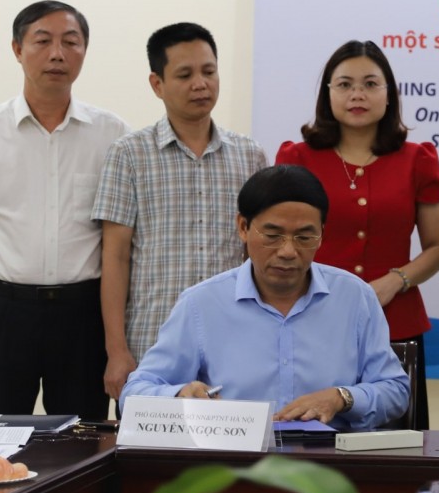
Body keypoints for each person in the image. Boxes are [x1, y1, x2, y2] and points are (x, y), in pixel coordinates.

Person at [0, 0, 129, 418]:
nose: (58, 53)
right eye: (43, 41)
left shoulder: (113, 136)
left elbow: (121, 244)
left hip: (83, 316)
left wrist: (118, 345)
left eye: (71, 42)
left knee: (82, 447)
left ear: (84, 52)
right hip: (1, 312)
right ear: (17, 49)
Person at [120, 165, 410, 430]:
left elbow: (396, 391)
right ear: (243, 228)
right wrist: (180, 394)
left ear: (322, 234)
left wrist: (342, 397)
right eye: (273, 235)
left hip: (331, 466)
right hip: (232, 465)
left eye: (304, 237)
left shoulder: (354, 297)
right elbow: (134, 394)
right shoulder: (201, 304)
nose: (287, 251)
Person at [92, 23, 267, 401]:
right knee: (149, 458)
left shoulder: (249, 155)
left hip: (233, 341)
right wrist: (117, 351)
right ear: (157, 84)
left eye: (209, 71)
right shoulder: (129, 154)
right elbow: (115, 257)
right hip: (153, 345)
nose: (200, 84)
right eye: (185, 75)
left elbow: (254, 254)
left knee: (234, 456)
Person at [276, 40, 439, 429]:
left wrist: (395, 281)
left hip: (395, 321)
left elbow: (438, 246)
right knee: (313, 439)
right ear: (327, 94)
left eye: (371, 84)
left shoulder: (416, 158)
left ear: (389, 94)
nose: (357, 94)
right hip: (313, 321)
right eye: (345, 84)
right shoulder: (298, 158)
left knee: (397, 447)